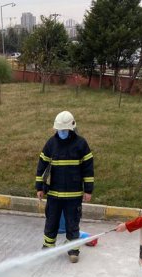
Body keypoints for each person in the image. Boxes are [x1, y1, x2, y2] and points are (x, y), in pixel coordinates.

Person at [35, 110, 94, 263]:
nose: (61, 133)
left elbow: (88, 169)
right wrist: (39, 187)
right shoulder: (51, 144)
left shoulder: (81, 144)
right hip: (54, 194)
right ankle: (48, 246)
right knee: (51, 221)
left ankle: (73, 250)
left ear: (71, 129)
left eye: (64, 130)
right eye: (59, 130)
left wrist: (88, 190)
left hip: (73, 196)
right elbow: (42, 166)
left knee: (72, 222)